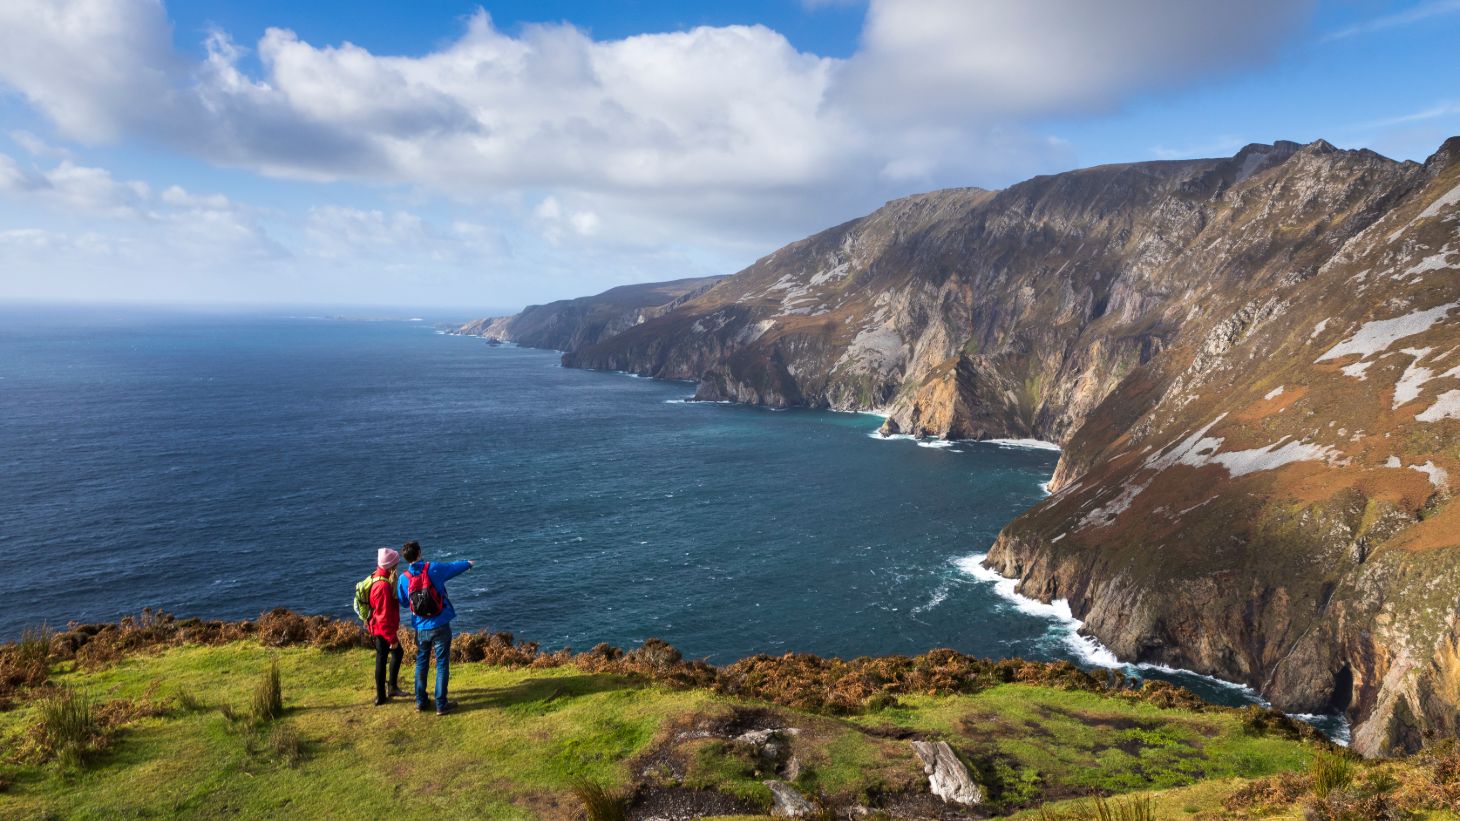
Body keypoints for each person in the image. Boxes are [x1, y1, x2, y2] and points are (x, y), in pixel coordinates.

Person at [396, 540, 474, 715]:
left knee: (421, 662)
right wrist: (468, 564)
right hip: (440, 624)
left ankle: (420, 702)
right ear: (419, 553)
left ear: (406, 558)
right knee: (442, 664)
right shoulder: (433, 568)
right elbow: (452, 568)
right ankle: (441, 704)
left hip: (420, 627)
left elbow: (403, 601)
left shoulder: (403, 579)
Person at [366, 547, 407, 705]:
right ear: (390, 566)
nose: (397, 567)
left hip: (377, 627)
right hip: (382, 629)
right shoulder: (383, 587)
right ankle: (386, 693)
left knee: (383, 658)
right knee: (390, 656)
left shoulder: (376, 576)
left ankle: (385, 693)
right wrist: (391, 638)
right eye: (396, 564)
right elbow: (383, 616)